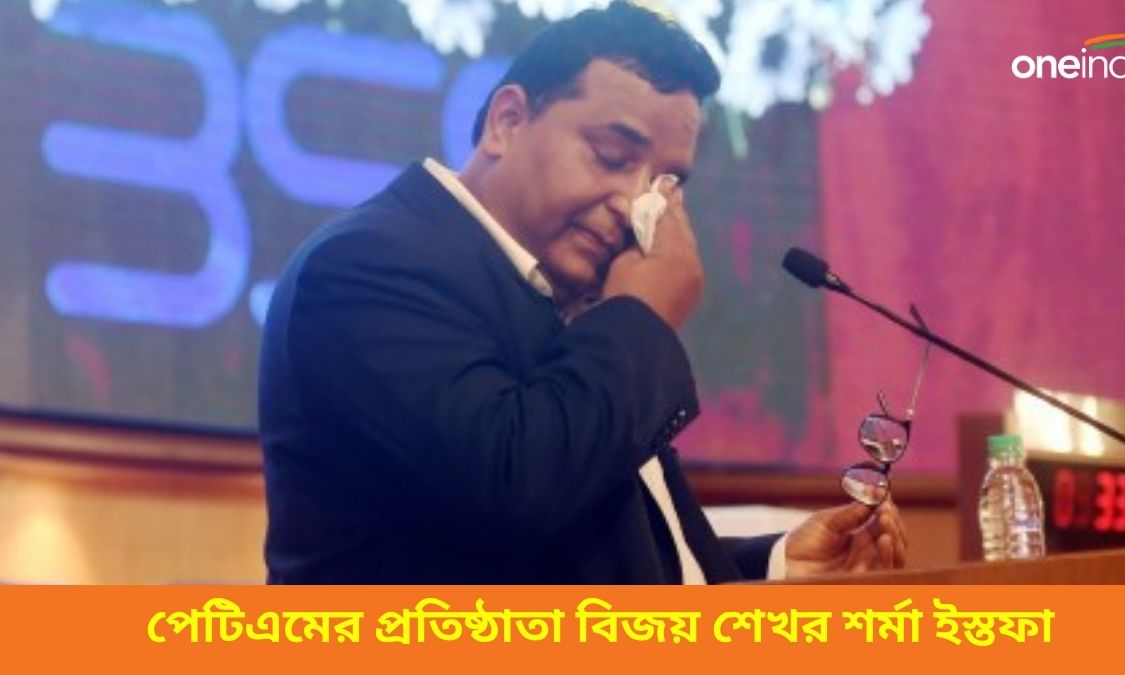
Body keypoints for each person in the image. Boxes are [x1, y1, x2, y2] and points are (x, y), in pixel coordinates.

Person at [258, 1, 907, 583]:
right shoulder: (367, 268)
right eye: (611, 155)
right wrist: (640, 317)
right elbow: (513, 493)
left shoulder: (562, 301)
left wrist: (778, 565)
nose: (634, 206)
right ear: (507, 121)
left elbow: (591, 553)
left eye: (665, 183)